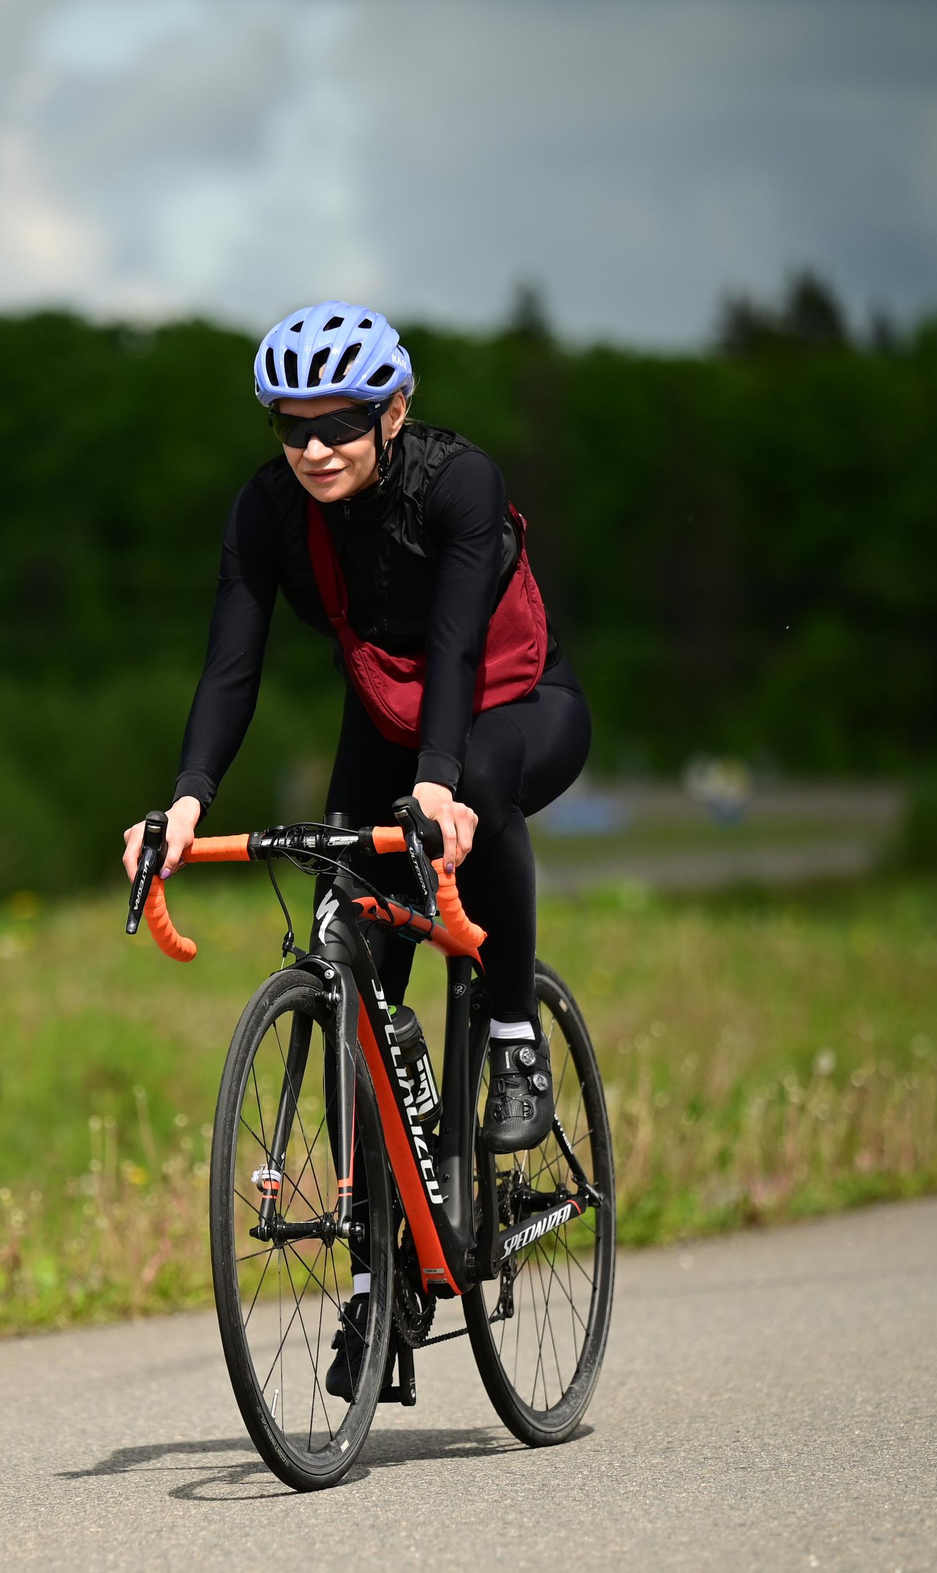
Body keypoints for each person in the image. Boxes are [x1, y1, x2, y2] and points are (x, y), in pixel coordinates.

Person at [122, 300, 590, 1155]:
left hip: (517, 706)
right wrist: (186, 802)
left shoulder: (459, 482)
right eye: (290, 429)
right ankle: (378, 1270)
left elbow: (454, 649)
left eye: (339, 423)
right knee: (349, 957)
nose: (314, 450)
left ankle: (516, 1041)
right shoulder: (268, 510)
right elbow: (231, 667)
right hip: (387, 727)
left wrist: (438, 781)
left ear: (395, 410)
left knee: (479, 782)